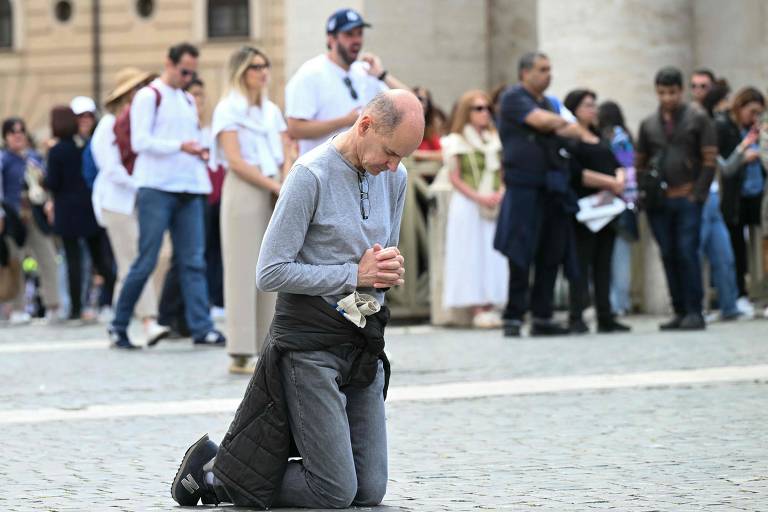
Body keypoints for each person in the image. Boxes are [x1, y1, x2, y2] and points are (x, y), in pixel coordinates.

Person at [170, 90, 422, 509]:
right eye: (391, 153)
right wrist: (352, 274)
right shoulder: (310, 176)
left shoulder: (394, 176)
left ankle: (231, 468)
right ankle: (215, 472)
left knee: (369, 489)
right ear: (365, 127)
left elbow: (379, 260)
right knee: (335, 492)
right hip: (309, 348)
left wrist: (383, 274)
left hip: (360, 342)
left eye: (402, 158)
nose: (394, 167)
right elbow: (269, 272)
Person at [107, 42, 225, 349]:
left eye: (192, 71)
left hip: (189, 186)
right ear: (169, 64)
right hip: (157, 187)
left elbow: (190, 139)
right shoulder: (149, 96)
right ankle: (118, 324)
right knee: (146, 259)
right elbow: (140, 141)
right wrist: (180, 146)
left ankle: (202, 327)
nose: (189, 76)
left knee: (193, 261)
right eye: (185, 70)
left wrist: (198, 150)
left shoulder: (186, 99)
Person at [494, 52, 597, 337]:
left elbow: (576, 129)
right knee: (520, 252)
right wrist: (559, 123)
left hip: (552, 188)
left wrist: (559, 123)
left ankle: (542, 316)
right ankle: (513, 316)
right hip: (523, 188)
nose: (548, 75)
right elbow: (540, 122)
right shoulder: (514, 97)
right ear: (525, 73)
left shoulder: (550, 102)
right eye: (542, 69)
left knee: (551, 252)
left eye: (550, 69)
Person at [211, 46, 291, 374]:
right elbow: (234, 159)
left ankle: (269, 344)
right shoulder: (228, 109)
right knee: (242, 266)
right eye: (255, 66)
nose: (262, 72)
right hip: (246, 188)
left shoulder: (271, 110)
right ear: (241, 71)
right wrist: (274, 185)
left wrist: (286, 177)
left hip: (274, 183)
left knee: (273, 266)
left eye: (265, 65)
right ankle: (240, 350)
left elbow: (287, 147)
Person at [90, 67, 171, 344]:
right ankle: (149, 321)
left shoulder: (143, 122)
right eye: (137, 89)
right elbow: (111, 169)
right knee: (133, 262)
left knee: (152, 258)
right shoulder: (107, 126)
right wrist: (143, 184)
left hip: (140, 201)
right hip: (118, 203)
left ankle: (118, 322)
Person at [635, 66, 717, 331]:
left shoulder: (698, 118)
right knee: (668, 254)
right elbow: (640, 163)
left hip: (687, 198)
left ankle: (695, 310)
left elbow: (709, 160)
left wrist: (698, 195)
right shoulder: (648, 124)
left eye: (672, 92)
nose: (667, 98)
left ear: (680, 91)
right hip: (660, 202)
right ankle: (679, 309)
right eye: (662, 93)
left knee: (686, 252)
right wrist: (644, 192)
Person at [285, 8, 408, 157]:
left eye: (359, 34)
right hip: (322, 172)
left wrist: (382, 74)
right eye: (349, 34)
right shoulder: (311, 73)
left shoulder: (366, 71)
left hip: (363, 172)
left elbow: (410, 104)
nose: (356, 40)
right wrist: (346, 121)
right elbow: (295, 129)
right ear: (331, 39)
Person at [564, 90, 630, 334]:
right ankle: (576, 315)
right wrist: (609, 182)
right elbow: (576, 173)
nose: (593, 110)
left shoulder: (598, 135)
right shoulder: (571, 139)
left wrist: (619, 177)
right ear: (575, 110)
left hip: (607, 209)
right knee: (580, 264)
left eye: (594, 105)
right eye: (588, 105)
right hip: (584, 209)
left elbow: (616, 162)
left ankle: (605, 315)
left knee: (604, 263)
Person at [441, 89, 507, 327]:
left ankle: (492, 303)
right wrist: (479, 197)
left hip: (493, 201)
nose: (485, 113)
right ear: (466, 112)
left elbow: (501, 172)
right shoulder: (456, 141)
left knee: (493, 252)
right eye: (478, 108)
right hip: (468, 203)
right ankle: (477, 307)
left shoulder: (494, 138)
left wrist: (500, 192)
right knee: (470, 253)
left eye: (487, 108)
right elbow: (455, 177)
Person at [45, 106, 115, 323]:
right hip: (89, 207)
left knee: (74, 261)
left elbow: (53, 182)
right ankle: (109, 302)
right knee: (101, 259)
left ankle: (76, 308)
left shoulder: (57, 150)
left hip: (67, 210)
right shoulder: (85, 145)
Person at [689, 74, 746, 321]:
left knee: (724, 256)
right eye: (694, 86)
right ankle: (695, 307)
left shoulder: (713, 122)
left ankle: (729, 306)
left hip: (713, 197)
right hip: (699, 196)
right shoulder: (692, 119)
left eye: (703, 86)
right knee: (696, 253)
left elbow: (721, 165)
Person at [0, 117, 61, 324]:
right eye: (12, 132)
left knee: (48, 259)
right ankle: (17, 308)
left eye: (21, 131)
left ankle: (53, 305)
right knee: (15, 262)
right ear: (6, 137)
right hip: (13, 217)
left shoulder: (34, 158)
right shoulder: (4, 160)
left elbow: (46, 183)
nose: (18, 135)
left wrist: (50, 203)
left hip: (35, 214)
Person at [716, 87, 766, 315]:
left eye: (760, 113)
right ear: (740, 108)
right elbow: (726, 167)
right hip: (735, 198)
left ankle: (760, 294)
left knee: (761, 247)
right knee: (737, 248)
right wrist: (744, 152)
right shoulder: (726, 128)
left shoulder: (761, 131)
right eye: (752, 111)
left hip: (758, 195)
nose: (754, 117)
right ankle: (740, 294)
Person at [598, 101, 639, 317]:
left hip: (617, 201)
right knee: (618, 257)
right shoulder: (625, 137)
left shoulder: (617, 138)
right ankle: (618, 302)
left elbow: (627, 169)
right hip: (624, 203)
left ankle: (617, 303)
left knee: (617, 258)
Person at [412, 86, 445, 163]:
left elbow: (442, 154)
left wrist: (417, 155)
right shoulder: (399, 126)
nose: (418, 102)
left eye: (421, 99)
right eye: (415, 98)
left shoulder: (430, 129)